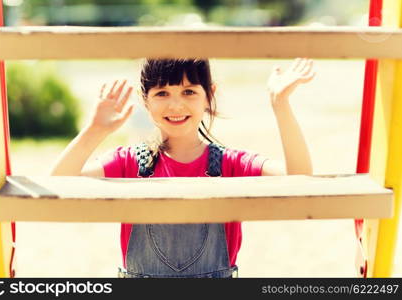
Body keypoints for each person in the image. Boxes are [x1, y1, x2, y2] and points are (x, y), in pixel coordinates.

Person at [50, 58, 314, 278]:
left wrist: (281, 104)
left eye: (188, 91)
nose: (175, 105)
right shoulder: (129, 162)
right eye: (162, 93)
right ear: (146, 100)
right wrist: (95, 130)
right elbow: (57, 185)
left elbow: (299, 178)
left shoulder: (230, 163)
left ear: (209, 96)